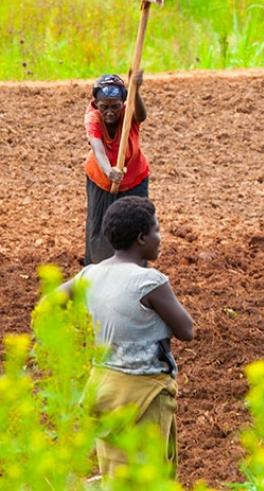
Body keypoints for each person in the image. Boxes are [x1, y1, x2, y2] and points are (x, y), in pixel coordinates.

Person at [60, 196, 193, 478]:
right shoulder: (150, 282)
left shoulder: (91, 274)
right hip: (145, 391)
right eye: (157, 230)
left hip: (105, 387)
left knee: (115, 473)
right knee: (149, 476)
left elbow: (50, 303)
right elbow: (187, 331)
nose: (160, 237)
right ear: (142, 238)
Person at [83, 72, 151, 265]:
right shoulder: (92, 117)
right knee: (100, 225)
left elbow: (142, 115)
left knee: (136, 224)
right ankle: (98, 268)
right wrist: (109, 171)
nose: (110, 112)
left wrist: (136, 90)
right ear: (96, 104)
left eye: (115, 106)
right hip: (102, 179)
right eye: (104, 107)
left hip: (134, 177)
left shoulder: (129, 112)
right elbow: (98, 148)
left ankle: (134, 270)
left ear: (123, 103)